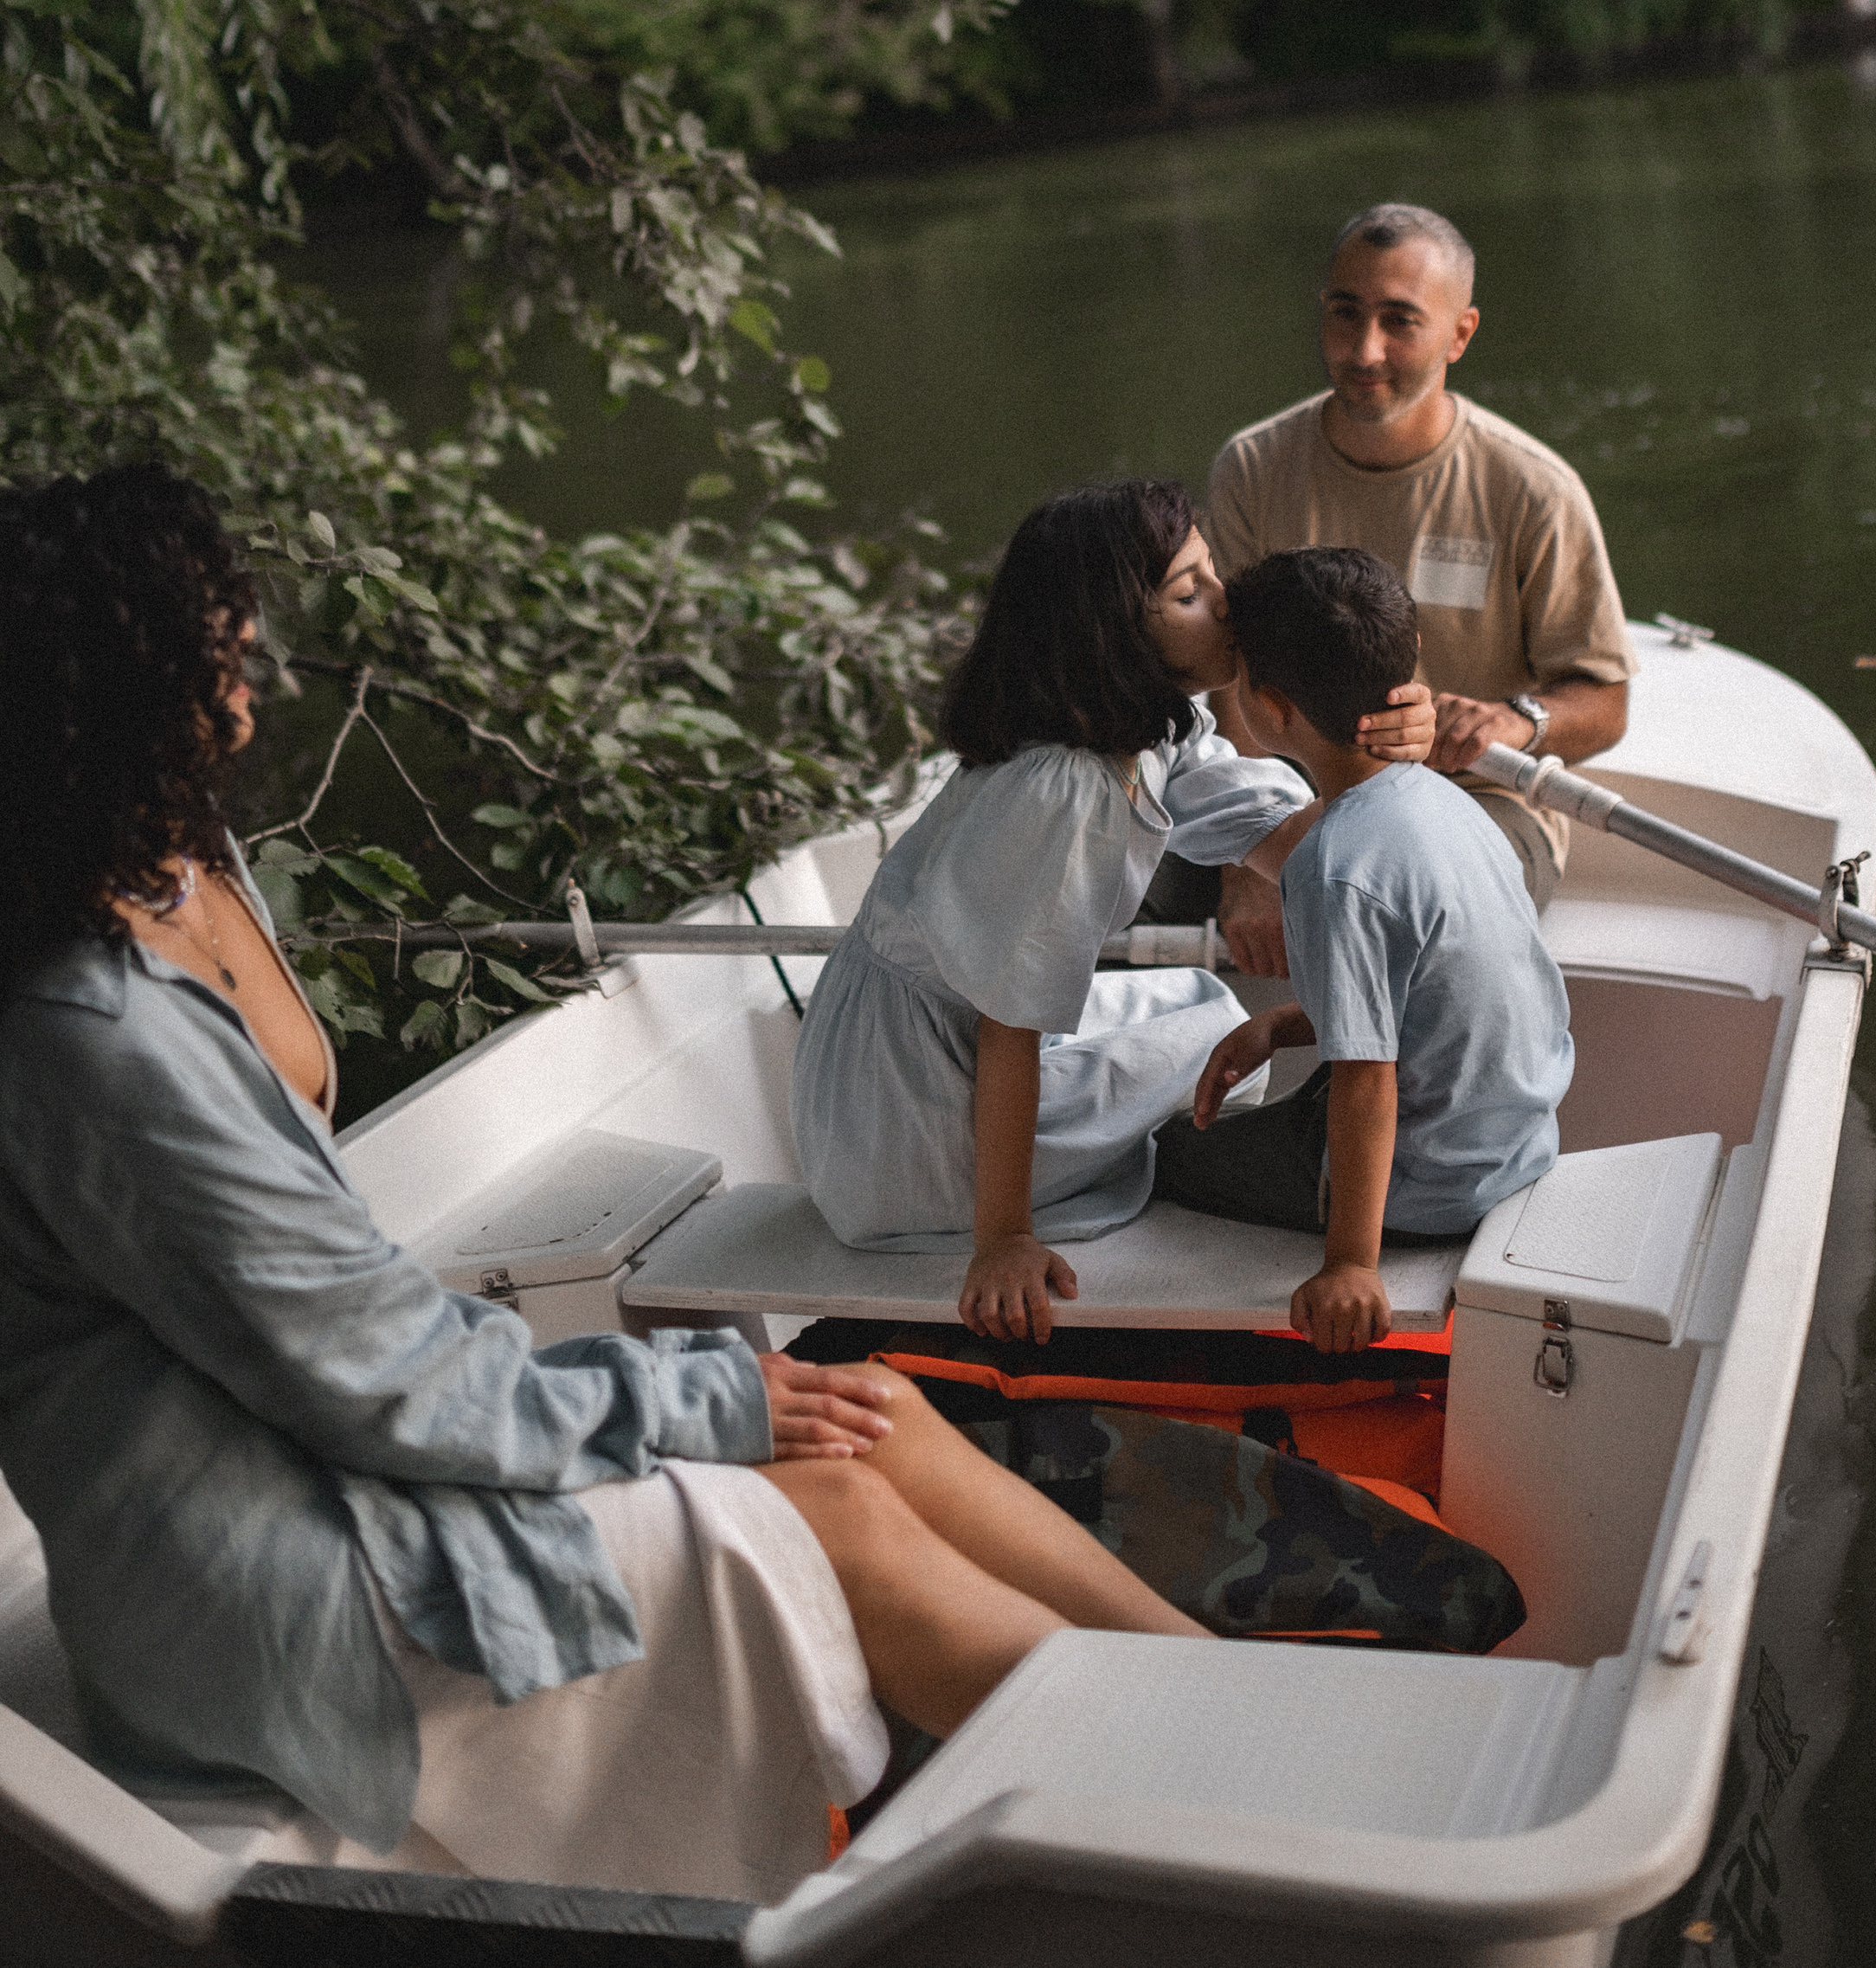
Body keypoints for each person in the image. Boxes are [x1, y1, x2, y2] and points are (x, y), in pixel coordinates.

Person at [0, 464, 1205, 1907]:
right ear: (108, 688)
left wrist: (705, 1394)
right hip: (272, 1564)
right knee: (828, 1505)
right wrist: (706, 1395)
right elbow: (371, 1372)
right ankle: (1234, 1800)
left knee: (876, 1405)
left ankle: (1213, 1693)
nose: (250, 669)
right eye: (213, 643)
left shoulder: (188, 861)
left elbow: (348, 1340)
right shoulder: (92, 1032)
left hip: (335, 1435)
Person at [792, 480, 1345, 1344]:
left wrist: (1371, 756)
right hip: (905, 1128)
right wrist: (1003, 1239)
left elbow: (1297, 843)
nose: (1224, 602)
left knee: (1200, 1002)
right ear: (1111, 631)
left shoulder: (1149, 727)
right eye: (1188, 592)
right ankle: (1022, 1200)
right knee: (1210, 1035)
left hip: (917, 1057)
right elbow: (1007, 1022)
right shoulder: (1067, 788)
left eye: (1211, 574)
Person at [1153, 549, 1572, 1357]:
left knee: (1167, 1155)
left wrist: (1351, 1263)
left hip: (1433, 1185)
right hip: (1513, 1138)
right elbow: (1434, 988)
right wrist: (1283, 1024)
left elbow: (1367, 1079)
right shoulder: (1446, 804)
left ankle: (1342, 1223)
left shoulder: (1334, 865)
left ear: (1273, 712)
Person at [1203, 199, 1635, 944]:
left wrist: (1516, 721)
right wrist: (1248, 866)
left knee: (1409, 904)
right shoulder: (1253, 466)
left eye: (1399, 321)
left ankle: (1364, 1061)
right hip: (1296, 792)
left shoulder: (1533, 488)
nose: (1363, 349)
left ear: (1459, 334)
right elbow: (1227, 683)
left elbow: (1607, 702)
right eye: (1345, 313)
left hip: (1476, 799)